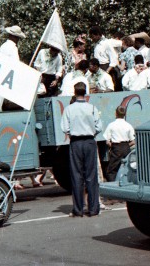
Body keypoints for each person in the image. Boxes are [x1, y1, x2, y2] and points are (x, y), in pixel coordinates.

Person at [60, 82, 103, 217]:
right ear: (85, 92)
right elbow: (99, 127)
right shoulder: (92, 108)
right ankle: (93, 208)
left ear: (75, 92)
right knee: (91, 175)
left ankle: (78, 209)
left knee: (77, 175)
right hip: (89, 141)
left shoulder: (69, 109)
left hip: (76, 142)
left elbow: (65, 128)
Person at [103, 106, 135, 182]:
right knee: (126, 168)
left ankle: (114, 184)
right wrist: (127, 145)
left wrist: (113, 146)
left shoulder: (111, 125)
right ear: (124, 114)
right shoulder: (128, 125)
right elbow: (133, 141)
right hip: (126, 148)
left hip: (116, 148)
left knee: (111, 170)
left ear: (116, 113)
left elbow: (107, 141)